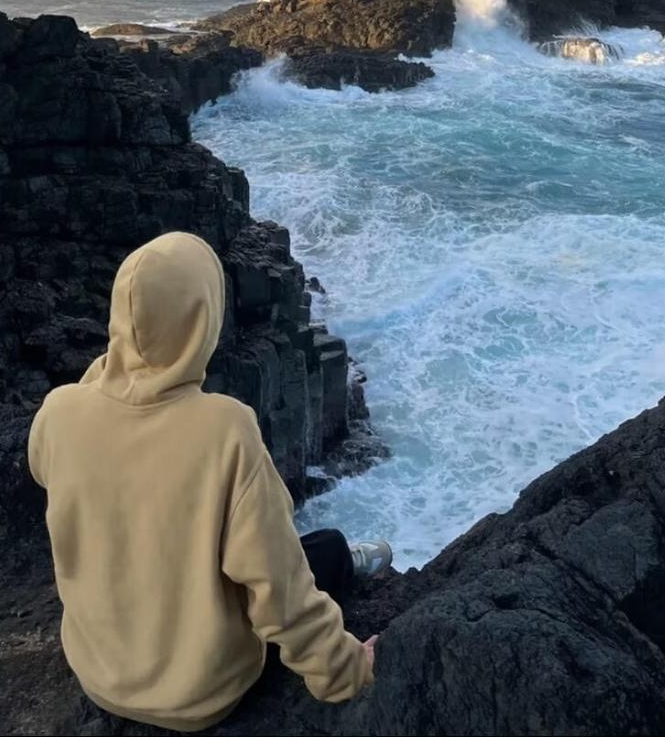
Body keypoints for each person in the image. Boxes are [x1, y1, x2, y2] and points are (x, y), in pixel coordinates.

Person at [28, 231, 392, 733]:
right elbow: (277, 590)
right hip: (198, 693)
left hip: (98, 673)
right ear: (205, 321)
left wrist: (117, 370)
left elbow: (51, 464)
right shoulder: (225, 429)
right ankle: (352, 562)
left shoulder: (60, 412)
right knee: (322, 550)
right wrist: (347, 670)